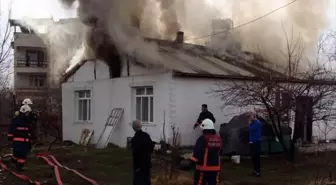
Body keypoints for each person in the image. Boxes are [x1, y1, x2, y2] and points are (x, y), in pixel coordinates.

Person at [190, 119, 222, 185]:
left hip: (203, 169)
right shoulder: (219, 139)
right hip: (216, 169)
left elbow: (197, 155)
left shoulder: (202, 139)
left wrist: (190, 163)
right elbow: (221, 152)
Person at [7, 104, 33, 172]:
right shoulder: (16, 120)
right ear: (23, 112)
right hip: (17, 142)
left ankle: (18, 166)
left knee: (23, 155)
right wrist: (10, 137)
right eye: (27, 113)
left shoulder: (28, 121)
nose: (28, 114)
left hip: (25, 142)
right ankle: (16, 166)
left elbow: (29, 131)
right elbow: (11, 128)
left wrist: (30, 140)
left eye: (28, 113)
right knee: (18, 154)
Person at [131, 120, 154, 185]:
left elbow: (135, 154)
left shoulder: (134, 140)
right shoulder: (146, 136)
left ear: (133, 128)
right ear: (141, 126)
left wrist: (136, 166)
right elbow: (151, 148)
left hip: (138, 166)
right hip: (147, 164)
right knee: (146, 181)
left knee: (138, 181)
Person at [246, 112, 262, 177]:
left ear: (253, 116)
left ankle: (258, 172)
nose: (248, 119)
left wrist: (249, 124)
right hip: (252, 142)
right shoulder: (252, 123)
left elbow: (250, 129)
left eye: (249, 117)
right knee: (253, 158)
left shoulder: (257, 123)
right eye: (248, 117)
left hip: (256, 142)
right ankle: (254, 170)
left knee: (256, 157)